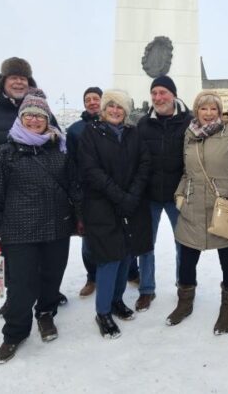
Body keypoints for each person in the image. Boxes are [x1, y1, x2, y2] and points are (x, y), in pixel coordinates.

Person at [0, 57, 66, 317]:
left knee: (45, 252)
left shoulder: (45, 113)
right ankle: (16, 298)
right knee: (13, 253)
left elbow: (57, 146)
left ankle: (45, 294)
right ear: (2, 82)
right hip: (3, 196)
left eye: (24, 78)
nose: (19, 82)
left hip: (41, 196)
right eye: (13, 77)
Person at [0, 91, 80, 364]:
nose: (34, 120)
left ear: (47, 120)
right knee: (21, 287)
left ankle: (45, 314)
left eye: (40, 116)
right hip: (19, 231)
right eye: (29, 115)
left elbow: (74, 187)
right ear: (21, 119)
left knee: (51, 278)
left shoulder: (61, 150)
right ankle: (14, 334)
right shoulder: (3, 154)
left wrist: (79, 217)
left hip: (57, 228)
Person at [167, 91, 228, 335]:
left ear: (220, 112)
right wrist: (179, 195)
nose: (208, 114)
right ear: (196, 111)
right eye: (203, 108)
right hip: (192, 207)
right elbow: (188, 172)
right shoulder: (190, 135)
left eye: (213, 109)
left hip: (223, 209)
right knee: (187, 258)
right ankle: (184, 302)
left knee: (227, 259)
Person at [77, 89, 153, 339]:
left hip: (132, 205)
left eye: (120, 107)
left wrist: (132, 196)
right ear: (103, 109)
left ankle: (117, 301)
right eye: (110, 106)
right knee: (109, 259)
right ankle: (103, 311)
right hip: (102, 206)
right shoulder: (91, 133)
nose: (115, 110)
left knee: (126, 255)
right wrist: (120, 196)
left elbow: (144, 164)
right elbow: (91, 170)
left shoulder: (133, 134)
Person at [135, 75, 192, 312]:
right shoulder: (143, 124)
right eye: (154, 93)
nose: (158, 98)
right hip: (149, 196)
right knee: (146, 244)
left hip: (177, 195)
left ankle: (184, 285)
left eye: (163, 93)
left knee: (183, 243)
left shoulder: (189, 121)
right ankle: (147, 289)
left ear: (173, 95)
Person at [67, 86, 103, 298]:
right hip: (86, 191)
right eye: (87, 99)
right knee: (88, 239)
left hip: (112, 189)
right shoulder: (74, 130)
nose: (92, 102)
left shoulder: (114, 122)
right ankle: (92, 277)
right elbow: (70, 162)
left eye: (95, 98)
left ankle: (130, 272)